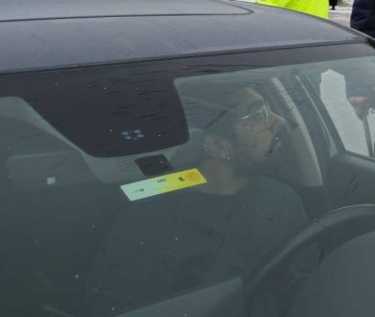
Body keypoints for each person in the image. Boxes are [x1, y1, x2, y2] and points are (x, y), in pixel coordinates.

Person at [85, 86, 309, 315]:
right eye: (258, 114)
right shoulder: (144, 223)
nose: (278, 120)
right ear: (217, 146)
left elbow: (304, 284)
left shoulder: (281, 199)